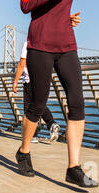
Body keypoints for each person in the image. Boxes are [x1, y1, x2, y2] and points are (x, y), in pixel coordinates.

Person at [16, 0, 98, 187]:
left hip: (67, 45)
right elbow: (26, 4)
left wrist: (67, 18)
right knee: (38, 104)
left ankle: (73, 167)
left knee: (77, 103)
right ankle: (24, 151)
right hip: (40, 46)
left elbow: (56, 7)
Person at [13, 13, 81, 143]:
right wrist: (66, 22)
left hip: (29, 80)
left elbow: (22, 64)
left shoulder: (28, 44)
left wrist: (15, 81)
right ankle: (51, 125)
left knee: (29, 107)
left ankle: (34, 134)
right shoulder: (46, 43)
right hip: (43, 78)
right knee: (38, 105)